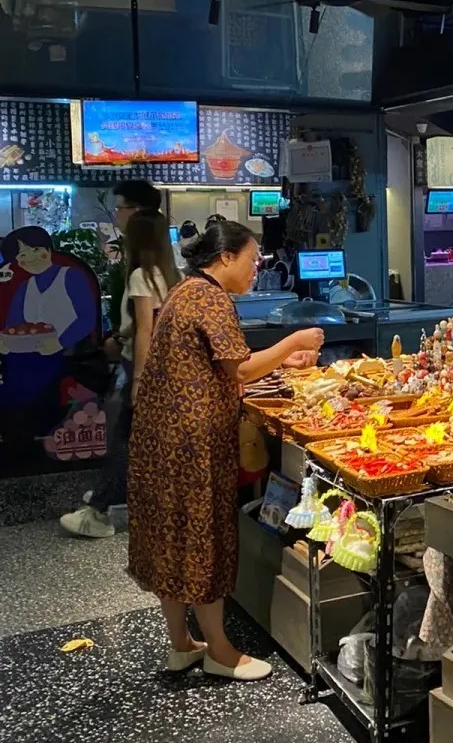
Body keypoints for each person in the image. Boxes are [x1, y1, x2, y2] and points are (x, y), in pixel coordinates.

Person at [127, 220, 324, 680]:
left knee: (172, 540)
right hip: (193, 447)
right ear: (226, 257)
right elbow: (240, 369)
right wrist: (294, 341)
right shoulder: (209, 297)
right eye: (253, 259)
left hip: (163, 441)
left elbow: (217, 364)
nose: (257, 268)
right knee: (204, 539)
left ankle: (182, 644)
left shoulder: (185, 291)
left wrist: (283, 359)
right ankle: (219, 651)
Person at [61, 211, 179, 538]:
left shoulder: (142, 276)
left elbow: (144, 330)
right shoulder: (174, 276)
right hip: (167, 370)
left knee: (123, 439)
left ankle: (98, 511)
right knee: (144, 440)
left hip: (139, 368)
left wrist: (138, 379)